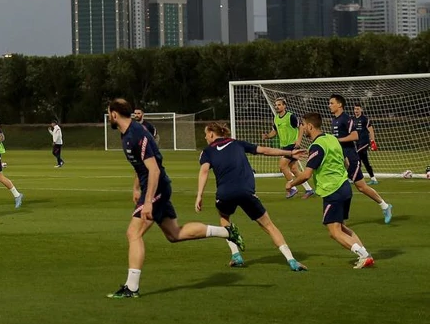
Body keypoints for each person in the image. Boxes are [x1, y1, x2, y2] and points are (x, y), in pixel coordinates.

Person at [105, 99, 243, 299]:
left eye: (109, 112)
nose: (108, 116)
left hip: (157, 187)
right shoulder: (127, 134)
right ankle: (226, 232)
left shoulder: (136, 134)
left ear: (115, 114)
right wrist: (137, 187)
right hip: (153, 187)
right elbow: (142, 167)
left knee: (133, 233)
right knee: (174, 234)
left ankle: (131, 288)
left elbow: (153, 169)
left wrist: (149, 201)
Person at [195, 122, 306, 271]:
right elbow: (265, 150)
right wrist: (290, 153)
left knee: (224, 218)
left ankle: (236, 255)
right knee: (268, 225)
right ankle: (291, 260)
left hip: (225, 194)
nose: (205, 137)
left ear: (211, 134)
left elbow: (204, 172)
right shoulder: (238, 143)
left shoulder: (207, 151)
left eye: (206, 134)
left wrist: (199, 195)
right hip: (246, 192)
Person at [286, 113, 375, 269]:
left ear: (310, 126)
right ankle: (365, 254)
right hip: (345, 187)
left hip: (333, 191)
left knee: (334, 231)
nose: (303, 128)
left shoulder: (317, 145)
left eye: (304, 125)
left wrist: (291, 184)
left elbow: (306, 175)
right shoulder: (332, 139)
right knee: (341, 226)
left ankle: (364, 255)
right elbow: (346, 162)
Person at [327, 95, 392, 224]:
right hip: (340, 159)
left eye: (331, 103)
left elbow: (355, 135)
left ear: (339, 105)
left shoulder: (346, 119)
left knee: (361, 187)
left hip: (351, 157)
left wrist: (338, 140)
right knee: (340, 187)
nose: (329, 105)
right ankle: (341, 218)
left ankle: (385, 206)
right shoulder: (334, 120)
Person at [261, 97, 314, 198]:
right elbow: (275, 131)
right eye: (276, 105)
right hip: (284, 146)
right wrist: (267, 136)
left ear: (284, 106)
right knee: (294, 169)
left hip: (291, 146)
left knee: (282, 165)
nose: (277, 106)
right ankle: (309, 189)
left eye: (279, 105)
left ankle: (292, 187)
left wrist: (298, 141)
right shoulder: (276, 118)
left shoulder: (291, 117)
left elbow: (301, 127)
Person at [352, 104, 378, 184]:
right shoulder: (352, 120)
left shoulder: (364, 119)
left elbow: (371, 130)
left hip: (365, 142)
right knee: (365, 161)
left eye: (358, 109)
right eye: (355, 109)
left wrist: (373, 141)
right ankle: (373, 179)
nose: (356, 111)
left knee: (356, 157)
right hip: (357, 143)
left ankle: (354, 177)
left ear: (361, 110)